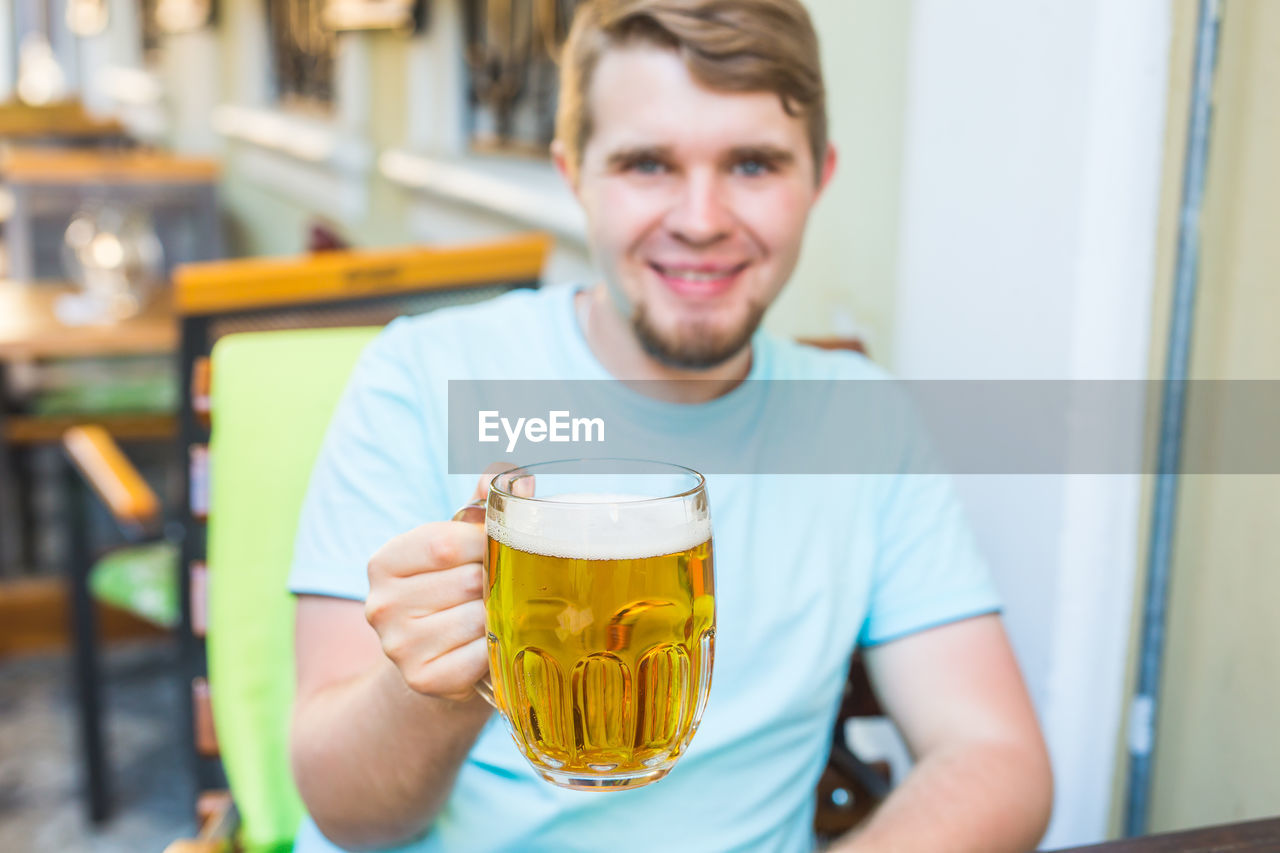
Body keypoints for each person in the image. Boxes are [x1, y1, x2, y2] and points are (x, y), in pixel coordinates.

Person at [287, 1, 1054, 851]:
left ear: (820, 177)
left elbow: (994, 754)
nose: (700, 218)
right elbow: (344, 814)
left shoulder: (859, 423)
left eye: (754, 164)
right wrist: (436, 684)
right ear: (573, 172)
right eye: (648, 163)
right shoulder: (428, 379)